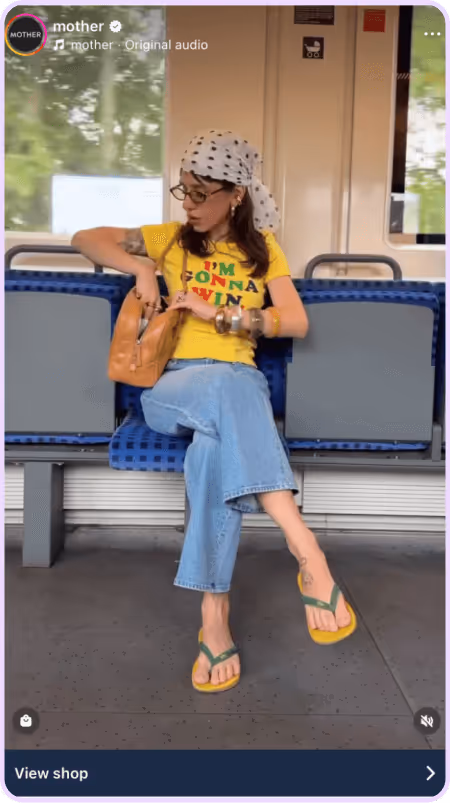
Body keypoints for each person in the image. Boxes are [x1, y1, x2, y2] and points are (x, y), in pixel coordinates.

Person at [71, 129, 357, 695]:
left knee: (213, 448)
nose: (191, 205)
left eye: (203, 195)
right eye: (186, 192)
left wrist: (218, 314)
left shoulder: (264, 250)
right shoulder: (170, 239)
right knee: (229, 393)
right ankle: (306, 549)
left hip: (237, 387)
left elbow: (296, 321)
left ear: (237, 196)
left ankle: (213, 618)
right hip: (172, 388)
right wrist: (143, 269)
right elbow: (85, 237)